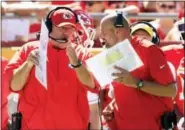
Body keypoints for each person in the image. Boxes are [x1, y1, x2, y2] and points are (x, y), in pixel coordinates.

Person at [5, 7, 98, 130]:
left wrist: (77, 64)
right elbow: (14, 86)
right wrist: (28, 64)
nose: (66, 32)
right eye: (62, 27)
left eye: (70, 28)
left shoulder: (82, 53)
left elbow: (93, 85)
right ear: (48, 27)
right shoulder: (28, 49)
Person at [98, 13, 177, 130]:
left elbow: (171, 91)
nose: (102, 38)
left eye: (104, 33)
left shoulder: (149, 50)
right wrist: (113, 104)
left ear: (117, 31)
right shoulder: (111, 53)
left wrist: (137, 83)